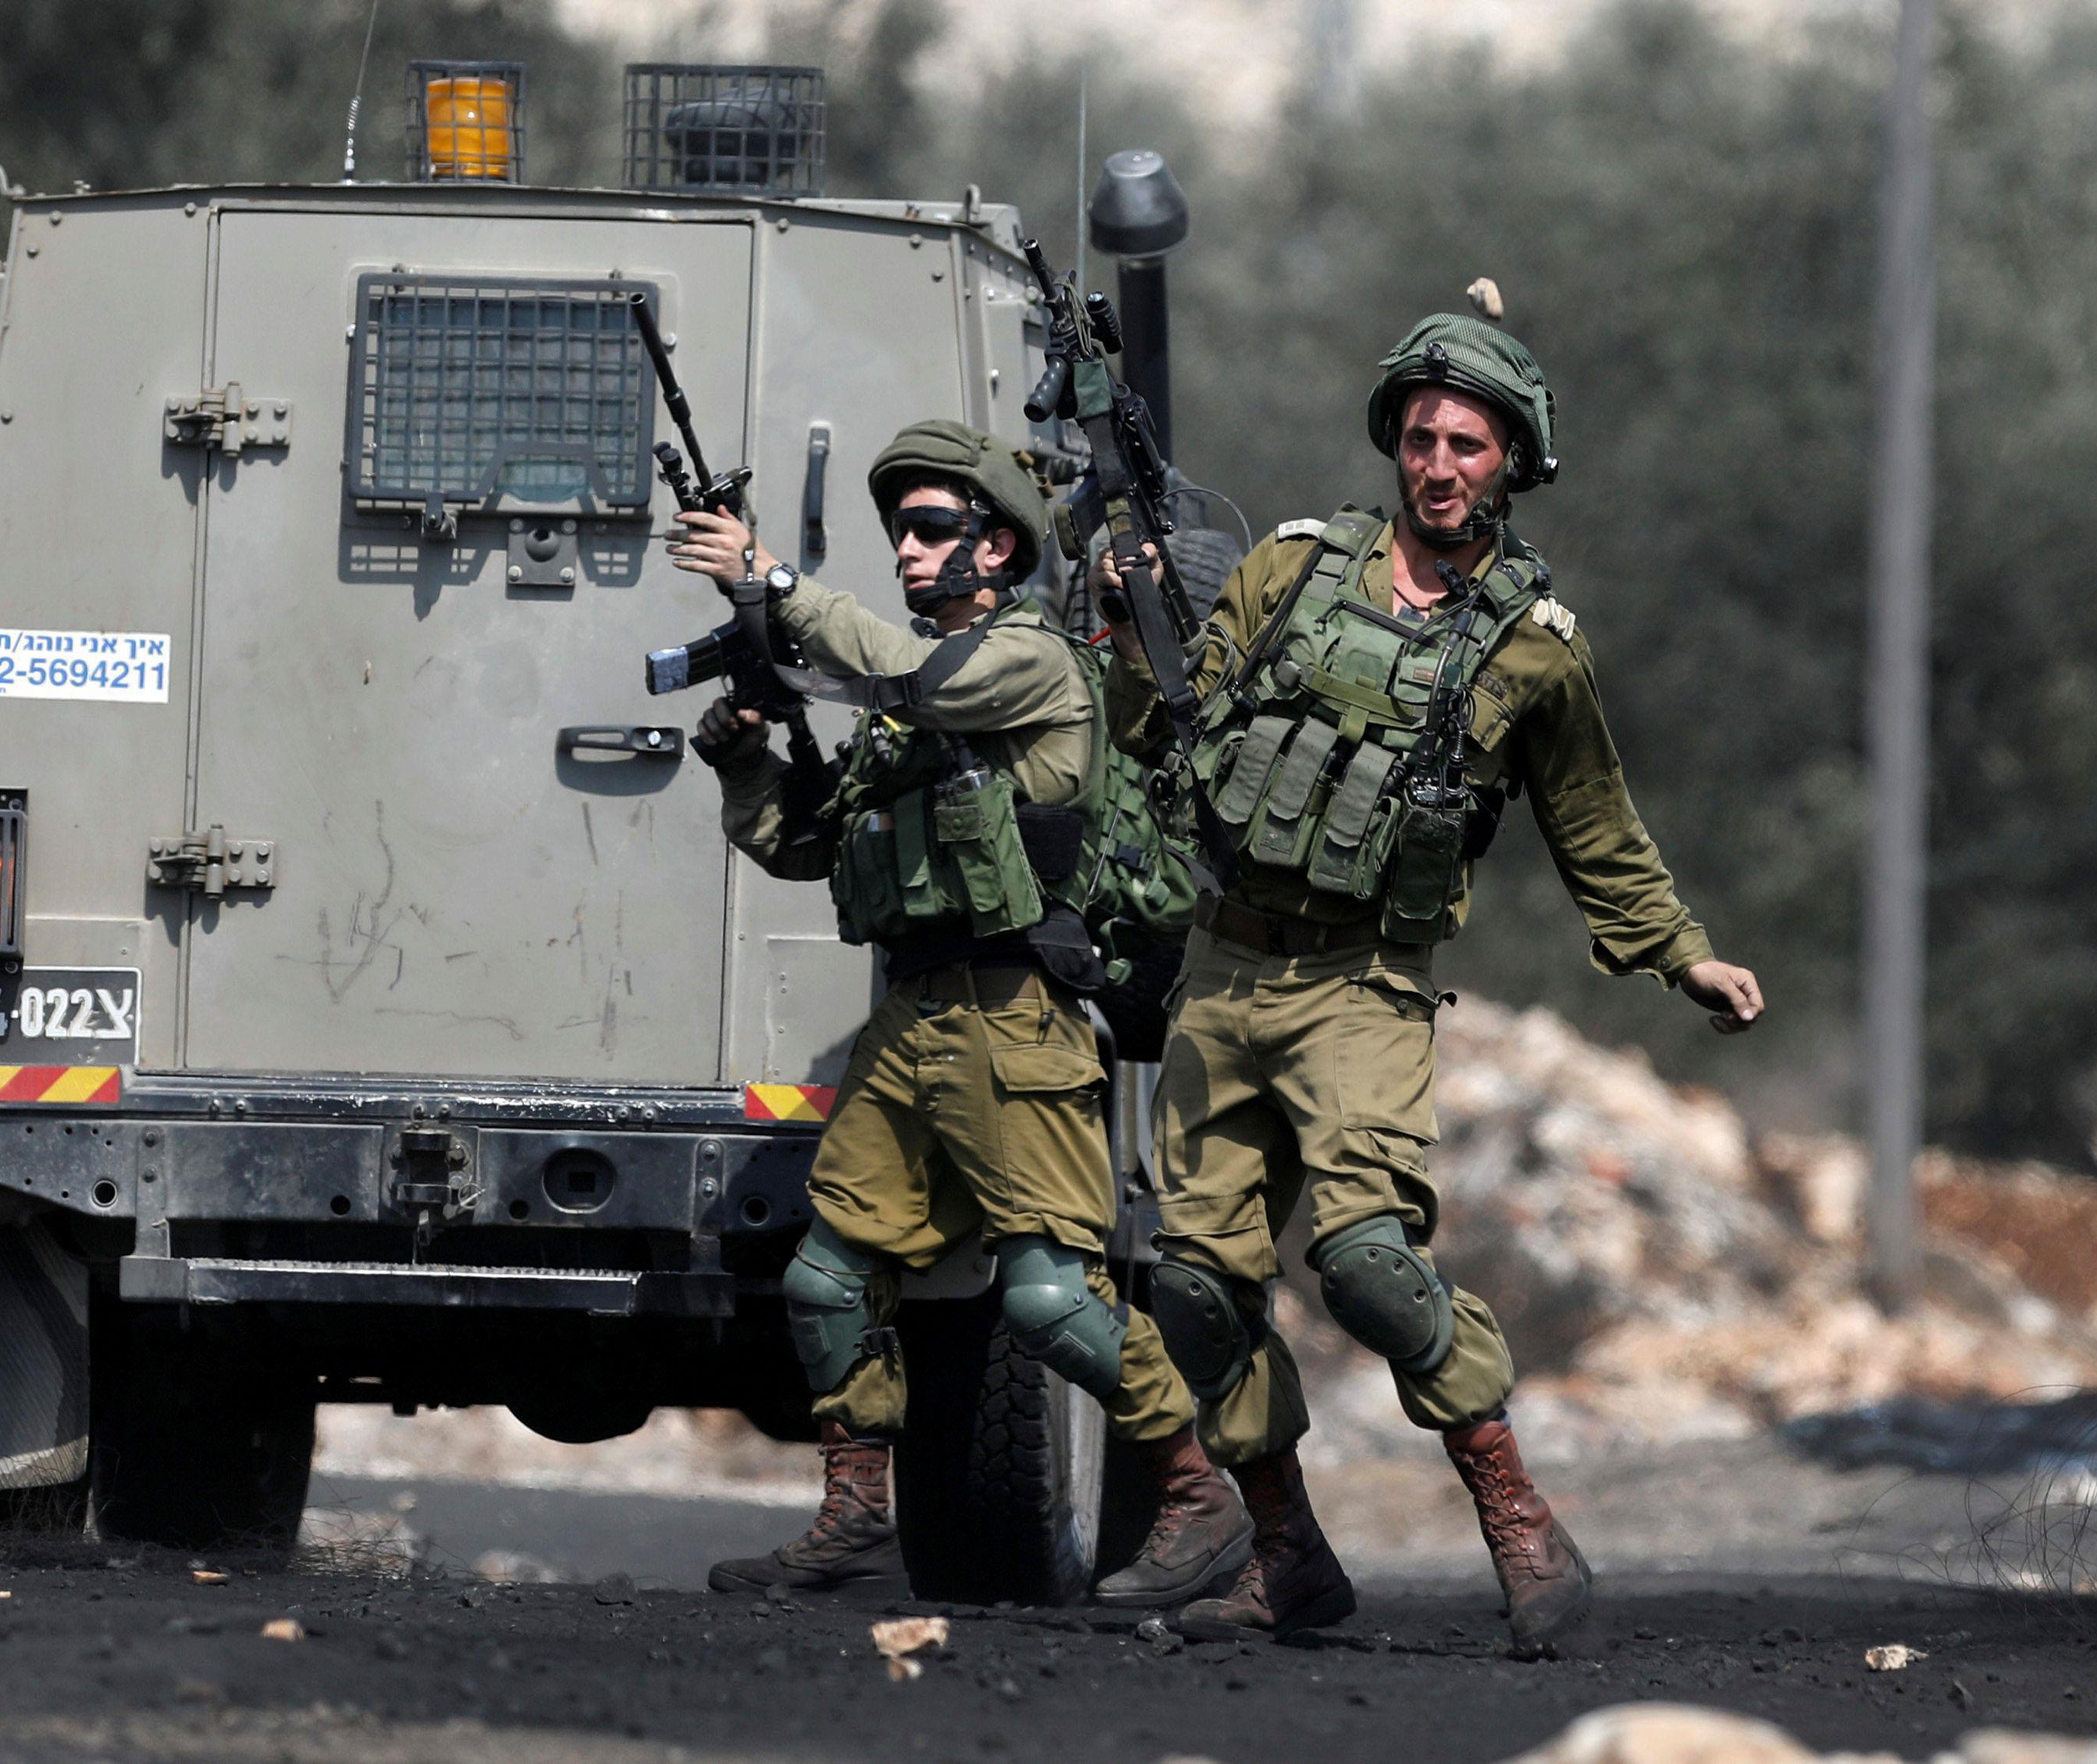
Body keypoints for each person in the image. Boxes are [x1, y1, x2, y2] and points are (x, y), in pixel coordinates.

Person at [1102, 315, 1765, 1652]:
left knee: (1365, 1265)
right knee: (1193, 1284)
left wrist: (1679, 950)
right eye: (1421, 438)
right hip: (1225, 971)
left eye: (1468, 443)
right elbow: (1162, 739)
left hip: (1364, 985)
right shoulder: (1289, 571)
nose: (1440, 463)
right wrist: (1127, 633)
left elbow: (1594, 822)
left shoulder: (1533, 648)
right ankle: (1283, 1549)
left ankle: (1521, 1519)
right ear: (1393, 445)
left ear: (1513, 460)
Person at [678, 419, 1252, 1607]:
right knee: (829, 1277)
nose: (908, 546)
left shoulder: (1022, 661)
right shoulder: (912, 707)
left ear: (997, 548)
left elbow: (906, 673)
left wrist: (769, 579)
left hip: (1014, 1021)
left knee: (1048, 1295)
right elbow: (811, 843)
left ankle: (1200, 1493)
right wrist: (742, 763)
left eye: (934, 528)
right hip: (916, 1021)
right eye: (901, 529)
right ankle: (853, 1516)